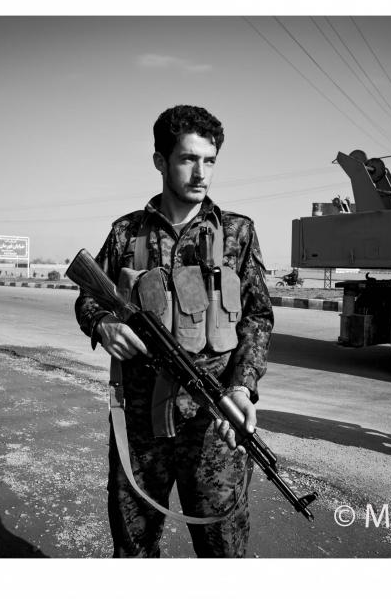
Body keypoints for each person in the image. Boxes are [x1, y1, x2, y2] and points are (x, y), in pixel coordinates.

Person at [74, 104, 273, 557]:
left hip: (213, 422)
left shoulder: (237, 233)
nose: (201, 173)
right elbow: (88, 297)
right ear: (160, 161)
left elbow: (258, 318)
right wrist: (103, 324)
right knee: (134, 549)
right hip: (141, 423)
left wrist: (242, 388)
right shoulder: (127, 233)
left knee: (223, 551)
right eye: (188, 159)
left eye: (210, 160)